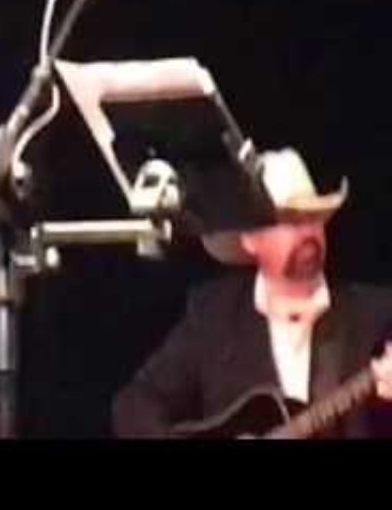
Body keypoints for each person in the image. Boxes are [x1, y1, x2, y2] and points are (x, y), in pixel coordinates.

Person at [113, 148, 392, 438]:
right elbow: (135, 404)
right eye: (288, 222)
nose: (307, 232)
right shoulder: (214, 315)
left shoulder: (376, 315)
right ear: (250, 240)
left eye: (313, 218)